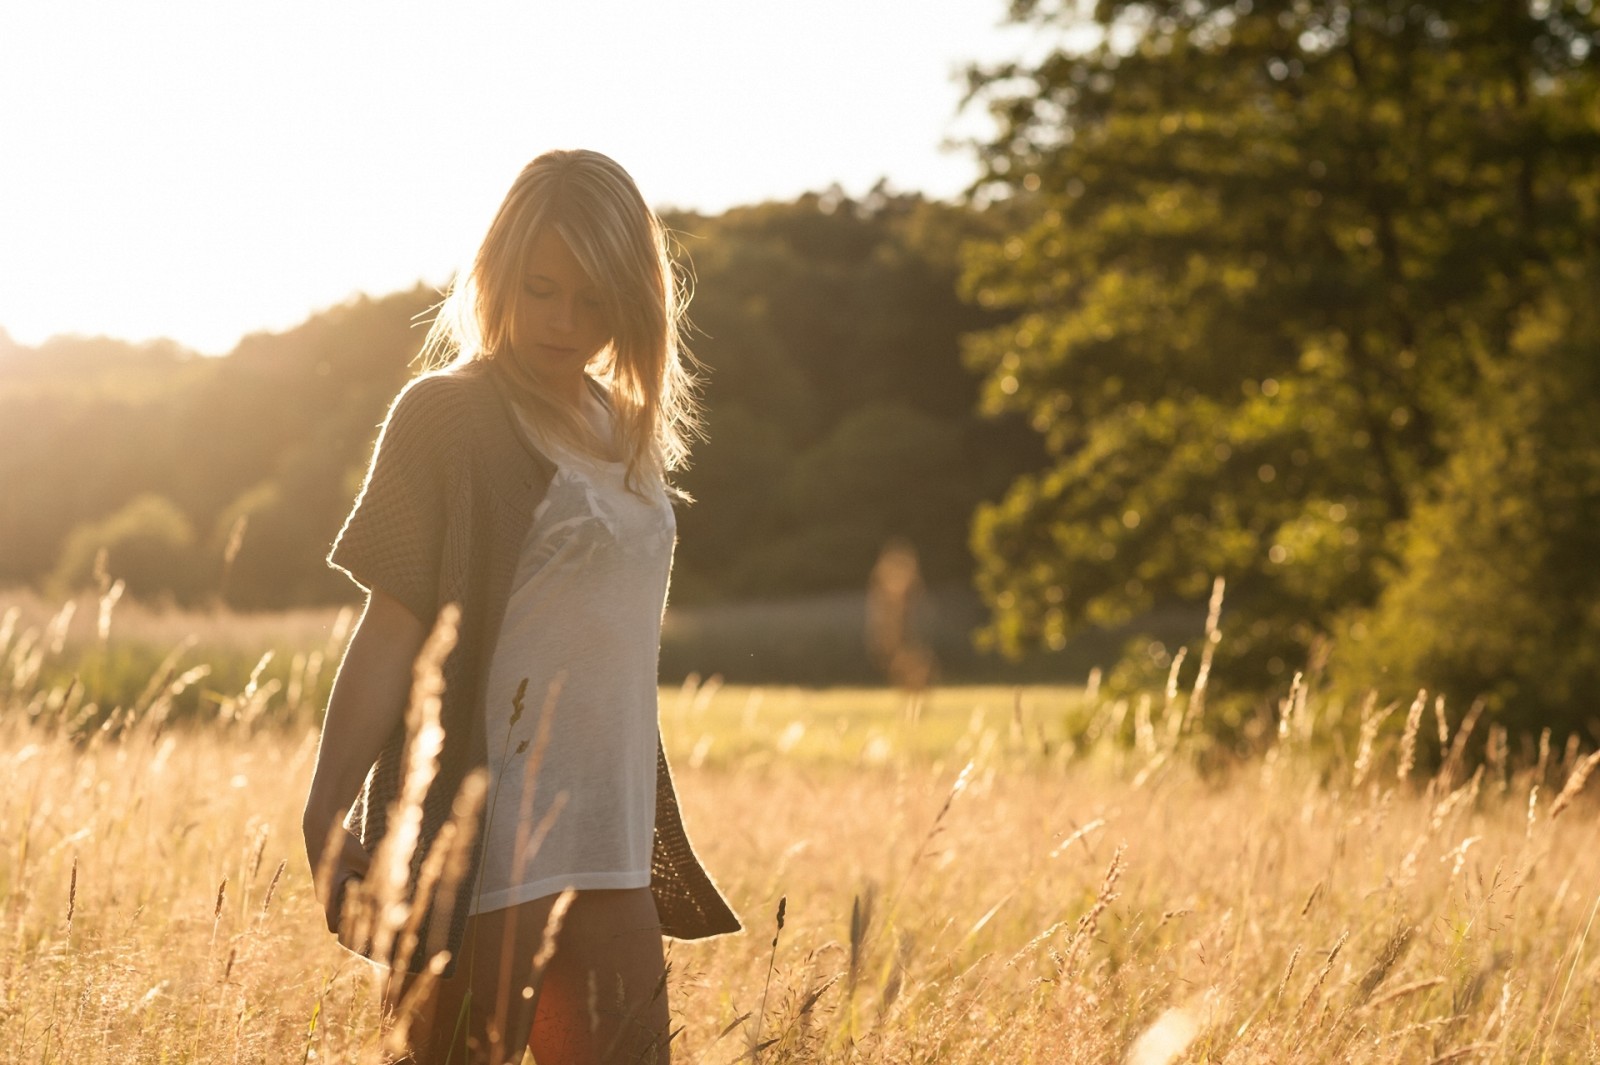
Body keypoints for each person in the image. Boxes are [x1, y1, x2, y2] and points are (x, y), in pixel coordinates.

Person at [301, 149, 740, 1065]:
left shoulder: (626, 425)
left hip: (615, 839)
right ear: (498, 273)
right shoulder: (448, 416)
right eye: (542, 289)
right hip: (486, 844)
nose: (565, 321)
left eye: (594, 298)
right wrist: (327, 807)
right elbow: (393, 628)